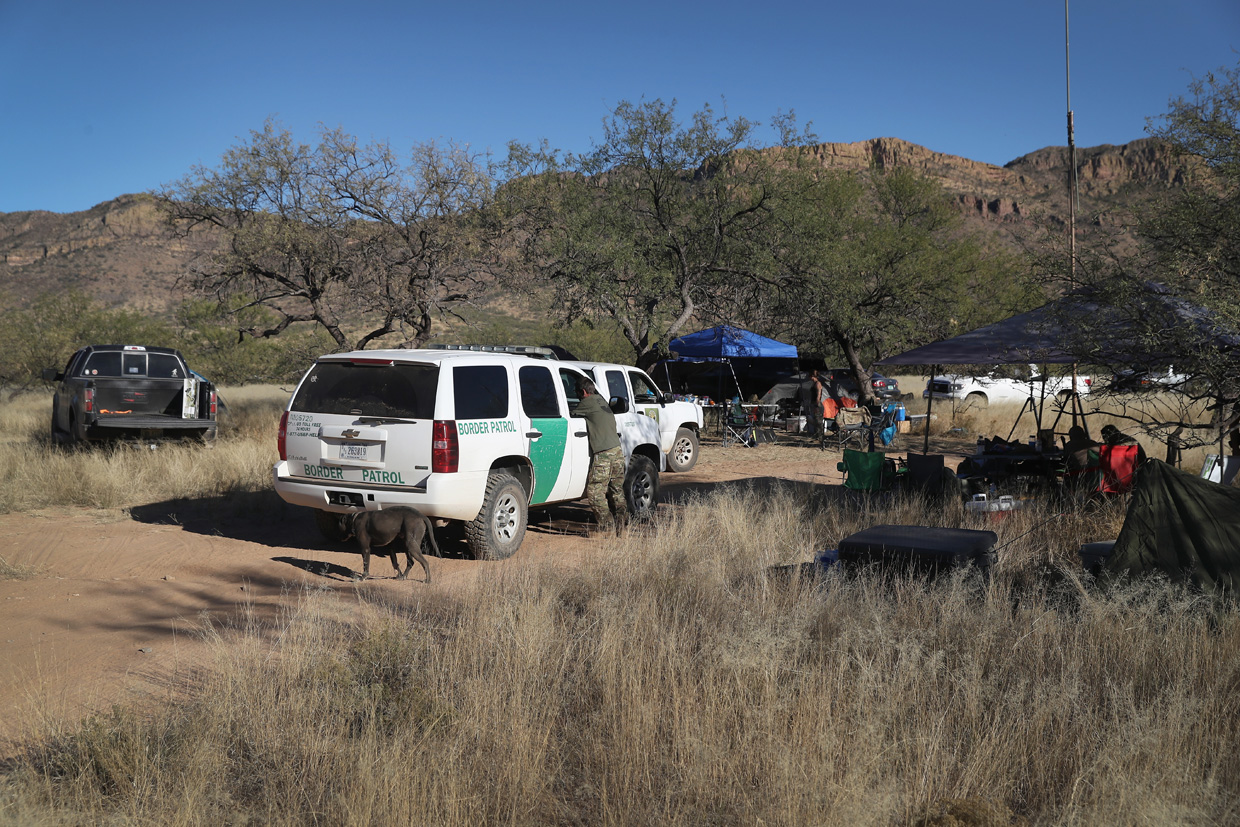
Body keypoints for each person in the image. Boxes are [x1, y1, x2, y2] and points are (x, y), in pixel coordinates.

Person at [575, 377, 627, 536]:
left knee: (595, 492)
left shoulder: (586, 403)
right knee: (616, 490)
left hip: (604, 454)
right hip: (617, 451)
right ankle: (622, 526)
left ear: (583, 392)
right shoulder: (602, 401)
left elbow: (570, 414)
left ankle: (607, 526)